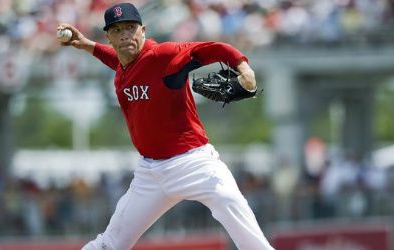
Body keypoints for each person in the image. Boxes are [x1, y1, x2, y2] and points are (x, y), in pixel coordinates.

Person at [58, 2, 274, 250]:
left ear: (143, 30)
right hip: (149, 173)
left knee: (233, 207)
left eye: (130, 27)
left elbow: (213, 48)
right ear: (109, 36)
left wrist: (243, 67)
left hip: (193, 163)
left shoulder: (163, 56)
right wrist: (87, 45)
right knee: (109, 244)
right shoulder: (123, 64)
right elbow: (117, 59)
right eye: (117, 30)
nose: (125, 34)